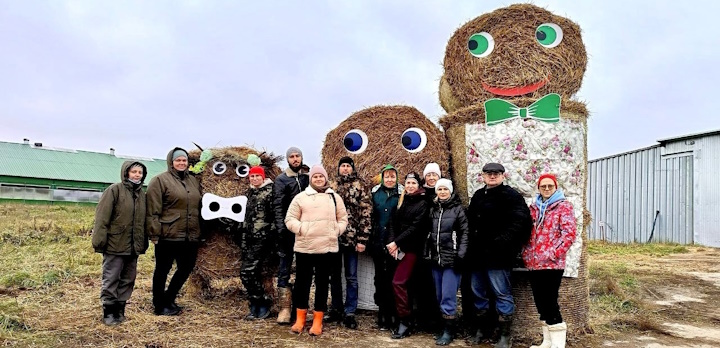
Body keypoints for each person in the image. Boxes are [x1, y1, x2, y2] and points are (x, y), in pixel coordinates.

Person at [466, 163, 532, 348]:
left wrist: (502, 242)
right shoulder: (479, 195)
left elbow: (520, 222)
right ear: (483, 176)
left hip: (499, 255)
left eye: (496, 174)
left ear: (503, 175)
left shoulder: (511, 196)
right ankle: (483, 330)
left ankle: (504, 336)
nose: (492, 176)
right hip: (477, 255)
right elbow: (470, 222)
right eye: (488, 174)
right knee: (478, 293)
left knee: (501, 292)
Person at [285, 165, 348, 336]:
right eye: (315, 177)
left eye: (321, 176)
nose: (319, 179)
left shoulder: (334, 197)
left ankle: (318, 320)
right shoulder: (301, 197)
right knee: (302, 284)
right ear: (311, 179)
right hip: (305, 247)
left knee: (322, 284)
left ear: (326, 178)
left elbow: (343, 218)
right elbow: (289, 218)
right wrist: (301, 229)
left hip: (326, 248)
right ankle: (300, 319)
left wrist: (336, 230)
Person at [147, 147, 203, 316]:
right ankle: (159, 304)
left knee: (186, 268)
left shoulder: (193, 180)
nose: (181, 163)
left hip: (190, 234)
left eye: (184, 160)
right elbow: (152, 210)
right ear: (171, 162)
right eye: (178, 160)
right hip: (168, 234)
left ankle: (169, 298)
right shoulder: (159, 180)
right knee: (163, 269)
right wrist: (154, 233)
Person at [523, 174, 576, 348]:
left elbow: (569, 234)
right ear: (538, 188)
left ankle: (558, 345)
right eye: (543, 186)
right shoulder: (534, 208)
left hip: (551, 264)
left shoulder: (563, 207)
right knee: (541, 303)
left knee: (550, 302)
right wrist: (526, 252)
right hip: (533, 263)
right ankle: (547, 342)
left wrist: (552, 253)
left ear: (556, 187)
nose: (546, 189)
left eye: (550, 186)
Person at [92, 161, 148, 325]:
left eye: (140, 172)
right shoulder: (114, 190)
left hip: (133, 245)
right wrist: (99, 240)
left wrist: (142, 242)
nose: (137, 175)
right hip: (115, 244)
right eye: (134, 172)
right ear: (126, 173)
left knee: (128, 279)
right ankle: (109, 312)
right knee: (111, 278)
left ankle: (120, 310)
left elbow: (144, 221)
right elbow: (102, 217)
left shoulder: (141, 195)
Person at [328, 156, 372, 329]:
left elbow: (366, 214)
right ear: (338, 168)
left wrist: (362, 239)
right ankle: (336, 308)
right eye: (342, 166)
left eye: (348, 166)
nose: (345, 168)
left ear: (352, 169)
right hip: (333, 239)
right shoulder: (331, 187)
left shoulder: (360, 186)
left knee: (352, 277)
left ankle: (350, 312)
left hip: (352, 240)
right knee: (334, 276)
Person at [424, 178, 469, 346]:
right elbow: (429, 233)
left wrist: (460, 255)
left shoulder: (458, 210)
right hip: (436, 259)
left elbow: (464, 234)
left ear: (450, 191)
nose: (442, 192)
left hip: (452, 260)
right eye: (439, 189)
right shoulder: (434, 209)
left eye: (445, 189)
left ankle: (449, 331)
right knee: (439, 294)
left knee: (448, 296)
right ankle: (443, 327)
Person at [387, 172, 429, 339]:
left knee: (398, 282)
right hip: (396, 250)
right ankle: (401, 319)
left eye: (413, 183)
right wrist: (392, 243)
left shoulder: (423, 203)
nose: (410, 186)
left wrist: (396, 242)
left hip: (411, 250)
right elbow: (392, 223)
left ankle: (405, 320)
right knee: (398, 284)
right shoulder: (402, 201)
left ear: (418, 185)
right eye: (408, 183)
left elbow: (415, 228)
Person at [273, 146, 310, 324]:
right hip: (287, 230)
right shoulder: (281, 179)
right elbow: (278, 206)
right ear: (288, 160)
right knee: (284, 268)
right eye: (292, 157)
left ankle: (299, 307)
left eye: (298, 156)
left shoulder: (307, 178)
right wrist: (281, 229)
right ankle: (285, 309)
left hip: (305, 230)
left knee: (303, 270)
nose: (295, 159)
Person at [240, 166, 277, 320]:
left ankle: (262, 302)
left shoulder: (270, 192)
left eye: (257, 176)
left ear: (263, 177)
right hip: (250, 238)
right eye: (252, 176)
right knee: (251, 272)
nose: (254, 178)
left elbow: (276, 215)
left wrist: (272, 237)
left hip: (263, 240)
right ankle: (256, 304)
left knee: (246, 272)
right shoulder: (251, 193)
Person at [369, 164, 403, 331]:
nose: (390, 179)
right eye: (387, 176)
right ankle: (382, 314)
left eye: (392, 176)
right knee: (379, 280)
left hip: (395, 244)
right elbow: (370, 217)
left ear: (397, 178)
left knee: (394, 280)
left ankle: (395, 314)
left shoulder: (401, 194)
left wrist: (397, 241)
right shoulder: (375, 194)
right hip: (378, 242)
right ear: (382, 178)